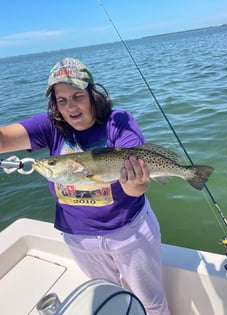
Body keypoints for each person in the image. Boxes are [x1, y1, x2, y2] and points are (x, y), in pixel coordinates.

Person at [0, 58, 170, 315]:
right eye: (62, 100)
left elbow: (137, 190)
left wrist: (136, 183)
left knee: (152, 303)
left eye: (77, 96)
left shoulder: (118, 122)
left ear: (92, 95)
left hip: (129, 233)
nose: (71, 107)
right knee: (108, 300)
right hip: (79, 238)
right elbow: (3, 140)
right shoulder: (50, 126)